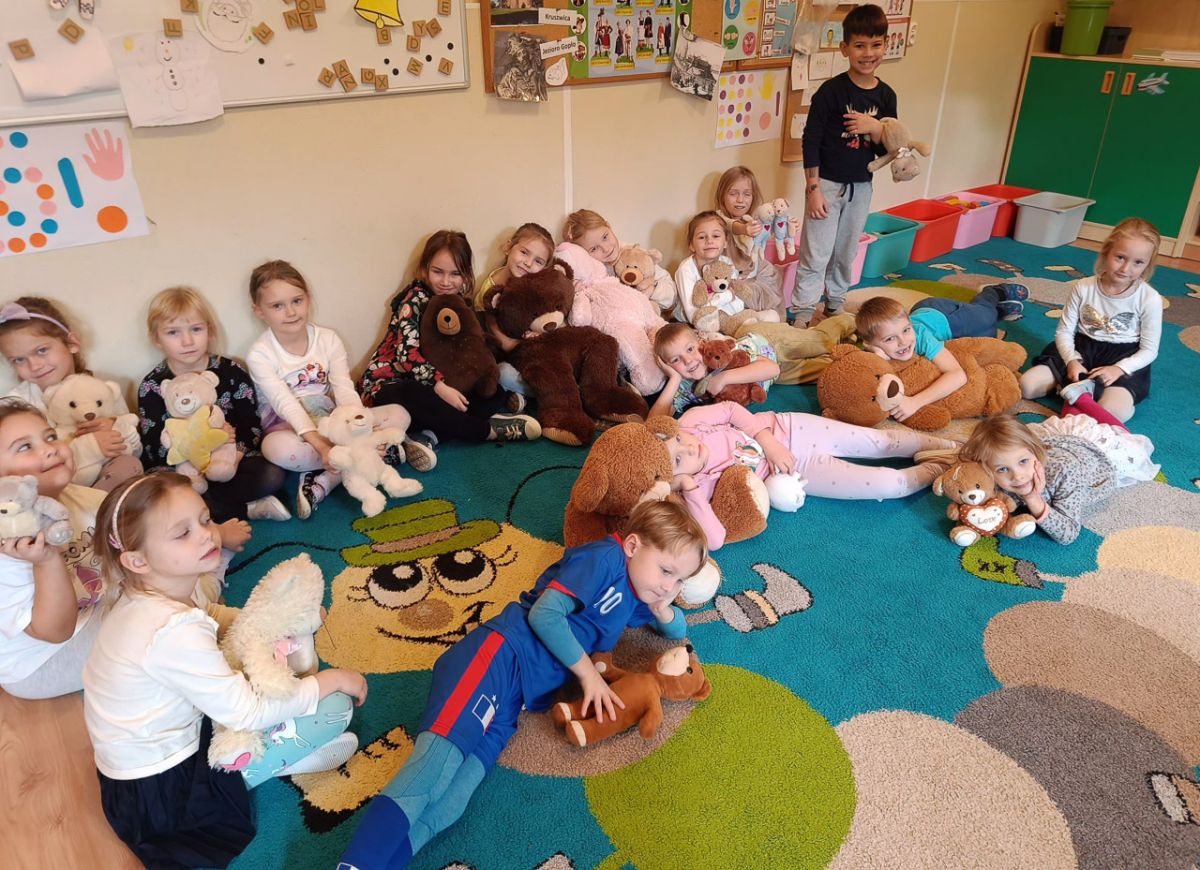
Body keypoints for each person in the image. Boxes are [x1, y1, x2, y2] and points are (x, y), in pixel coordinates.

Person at [337, 499, 705, 870]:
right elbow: (546, 614)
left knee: (451, 803)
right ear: (633, 545)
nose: (669, 586)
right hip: (499, 658)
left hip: (515, 699)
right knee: (433, 770)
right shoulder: (604, 559)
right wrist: (589, 674)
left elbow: (676, 630)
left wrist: (662, 608)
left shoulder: (641, 590)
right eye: (666, 571)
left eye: (679, 580)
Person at [83, 472, 368, 868]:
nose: (206, 535)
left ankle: (277, 754)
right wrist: (329, 681)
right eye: (182, 533)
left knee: (274, 668)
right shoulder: (171, 630)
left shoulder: (149, 592)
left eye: (204, 519)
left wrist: (276, 623)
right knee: (334, 707)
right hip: (167, 796)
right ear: (138, 560)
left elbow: (212, 617)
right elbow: (246, 713)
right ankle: (268, 765)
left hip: (136, 773)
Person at [663, 401, 959, 550]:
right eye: (678, 459)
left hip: (790, 429)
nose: (688, 447)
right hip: (797, 470)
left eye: (677, 440)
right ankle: (946, 468)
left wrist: (770, 443)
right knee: (888, 485)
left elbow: (731, 409)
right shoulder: (695, 488)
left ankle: (951, 447)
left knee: (882, 442)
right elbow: (715, 540)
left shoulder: (689, 423)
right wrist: (688, 487)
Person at [245, 260, 411, 519]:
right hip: (290, 427)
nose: (290, 312)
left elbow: (344, 389)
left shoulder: (328, 339)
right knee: (275, 448)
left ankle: (326, 478)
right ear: (259, 311)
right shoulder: (260, 355)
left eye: (297, 300)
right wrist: (324, 449)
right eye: (277, 305)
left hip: (332, 421)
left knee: (400, 415)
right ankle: (370, 457)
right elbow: (286, 405)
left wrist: (360, 430)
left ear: (308, 298)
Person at [358, 230, 541, 459]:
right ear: (425, 269)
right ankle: (485, 430)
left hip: (439, 388)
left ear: (466, 275)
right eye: (438, 272)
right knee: (415, 393)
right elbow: (406, 355)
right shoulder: (415, 299)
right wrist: (440, 387)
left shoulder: (459, 303)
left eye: (455, 274)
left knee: (491, 392)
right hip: (392, 385)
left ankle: (431, 435)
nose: (446, 282)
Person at [138, 286, 290, 543]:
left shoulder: (231, 372)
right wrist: (189, 454)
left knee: (272, 474)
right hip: (184, 469)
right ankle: (245, 509)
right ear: (156, 339)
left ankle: (206, 513)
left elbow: (252, 426)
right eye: (173, 332)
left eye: (196, 329)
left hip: (230, 461)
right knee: (160, 494)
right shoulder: (152, 386)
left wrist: (233, 451)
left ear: (210, 330)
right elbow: (154, 446)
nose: (187, 341)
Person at [794, 4, 895, 326]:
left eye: (876, 44)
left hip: (861, 186)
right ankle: (803, 311)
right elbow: (810, 140)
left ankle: (835, 304)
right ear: (844, 48)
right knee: (816, 252)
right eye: (860, 45)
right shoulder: (831, 92)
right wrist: (813, 189)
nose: (868, 53)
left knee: (846, 250)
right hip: (825, 185)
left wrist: (875, 127)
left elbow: (889, 146)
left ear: (886, 45)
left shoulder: (886, 96)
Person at [0, 400, 107, 699]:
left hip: (92, 615)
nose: (49, 449)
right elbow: (53, 632)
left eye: (50, 437)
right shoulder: (9, 545)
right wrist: (47, 560)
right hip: (41, 662)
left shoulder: (82, 498)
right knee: (154, 614)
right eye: (25, 447)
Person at [1019, 218, 1163, 423]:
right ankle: (1081, 390)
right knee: (1027, 386)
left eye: (1138, 262)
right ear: (1106, 252)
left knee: (1114, 412)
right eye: (1120, 257)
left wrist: (1119, 369)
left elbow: (1149, 350)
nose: (1125, 268)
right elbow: (1064, 331)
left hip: (1123, 357)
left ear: (1147, 264)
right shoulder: (1083, 287)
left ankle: (1077, 390)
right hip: (1082, 349)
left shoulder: (1150, 298)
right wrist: (1071, 360)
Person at [0, 297, 142, 492]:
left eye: (42, 350)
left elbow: (136, 451)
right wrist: (89, 447)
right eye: (19, 360)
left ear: (71, 343)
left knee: (128, 465)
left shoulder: (102, 391)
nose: (34, 365)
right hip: (51, 490)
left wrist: (116, 427)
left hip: (106, 483)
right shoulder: (17, 405)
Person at [960, 410, 1158, 545]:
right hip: (1059, 443)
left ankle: (1085, 399)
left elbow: (1068, 534)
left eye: (1023, 462)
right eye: (1003, 469)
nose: (1018, 476)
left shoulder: (1066, 472)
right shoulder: (989, 471)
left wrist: (1032, 498)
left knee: (1121, 433)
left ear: (1035, 453)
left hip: (1096, 454)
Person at [853, 284, 1028, 422]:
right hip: (929, 317)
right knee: (990, 333)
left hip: (946, 315)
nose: (903, 342)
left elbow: (958, 374)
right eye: (890, 339)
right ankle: (1000, 311)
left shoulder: (920, 335)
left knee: (985, 318)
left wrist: (915, 402)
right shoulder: (869, 350)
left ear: (910, 325)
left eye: (906, 330)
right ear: (870, 344)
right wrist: (878, 359)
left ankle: (994, 292)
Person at [673, 211, 781, 329]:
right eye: (702, 237)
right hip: (703, 320)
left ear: (725, 242)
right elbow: (693, 314)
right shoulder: (686, 270)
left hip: (729, 315)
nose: (709, 241)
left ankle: (746, 322)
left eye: (716, 236)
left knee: (773, 316)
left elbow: (736, 297)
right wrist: (726, 296)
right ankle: (742, 326)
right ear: (691, 245)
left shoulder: (726, 262)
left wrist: (738, 309)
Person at [650, 321, 780, 418]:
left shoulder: (723, 354)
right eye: (675, 360)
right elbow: (654, 423)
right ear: (668, 366)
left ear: (702, 344)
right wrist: (674, 378)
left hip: (766, 343)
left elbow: (773, 369)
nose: (687, 360)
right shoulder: (684, 387)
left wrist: (723, 378)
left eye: (690, 349)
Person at [562, 208, 677, 311]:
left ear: (609, 226)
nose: (606, 249)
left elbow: (672, 295)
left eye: (605, 237)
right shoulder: (590, 273)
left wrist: (652, 290)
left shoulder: (633, 253)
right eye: (594, 249)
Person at [714, 165, 789, 312]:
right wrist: (744, 229)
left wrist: (789, 227)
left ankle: (771, 319)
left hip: (754, 270)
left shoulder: (755, 217)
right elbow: (731, 225)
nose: (740, 200)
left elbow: (772, 231)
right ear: (722, 195)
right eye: (733, 194)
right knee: (736, 305)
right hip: (731, 275)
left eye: (747, 194)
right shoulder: (719, 218)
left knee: (770, 292)